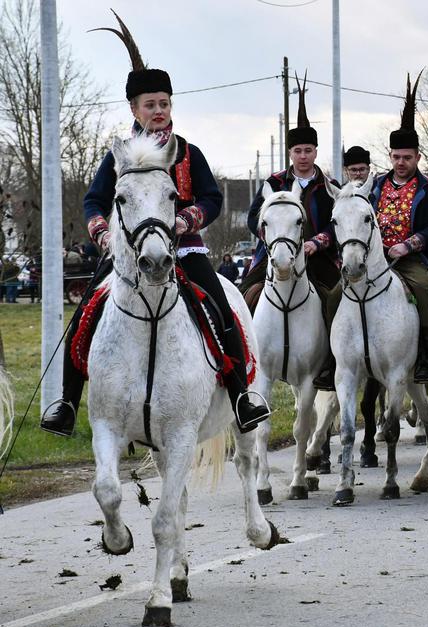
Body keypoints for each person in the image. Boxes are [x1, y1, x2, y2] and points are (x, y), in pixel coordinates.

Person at [40, 13, 269, 437]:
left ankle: (241, 396)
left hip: (186, 251)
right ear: (134, 109)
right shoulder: (118, 155)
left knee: (220, 310)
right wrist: (102, 232)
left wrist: (187, 218)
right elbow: (94, 200)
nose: (159, 111)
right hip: (130, 254)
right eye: (151, 105)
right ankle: (68, 403)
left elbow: (212, 198)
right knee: (85, 314)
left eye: (165, 103)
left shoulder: (188, 152)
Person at [325, 72, 428, 385]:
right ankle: (332, 360)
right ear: (389, 156)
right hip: (373, 261)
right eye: (396, 157)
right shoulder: (374, 187)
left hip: (411, 260)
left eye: (407, 157)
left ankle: (426, 359)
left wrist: (411, 244)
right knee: (335, 295)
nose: (401, 162)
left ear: (417, 156)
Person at [242, 74, 341, 389]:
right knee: (246, 296)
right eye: (298, 150)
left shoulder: (328, 186)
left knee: (335, 300)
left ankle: (330, 364)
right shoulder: (274, 183)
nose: (303, 156)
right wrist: (273, 242)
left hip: (318, 258)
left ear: (315, 152)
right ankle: (245, 361)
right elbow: (252, 218)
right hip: (274, 255)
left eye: (308, 150)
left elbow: (335, 225)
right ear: (290, 153)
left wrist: (317, 242)